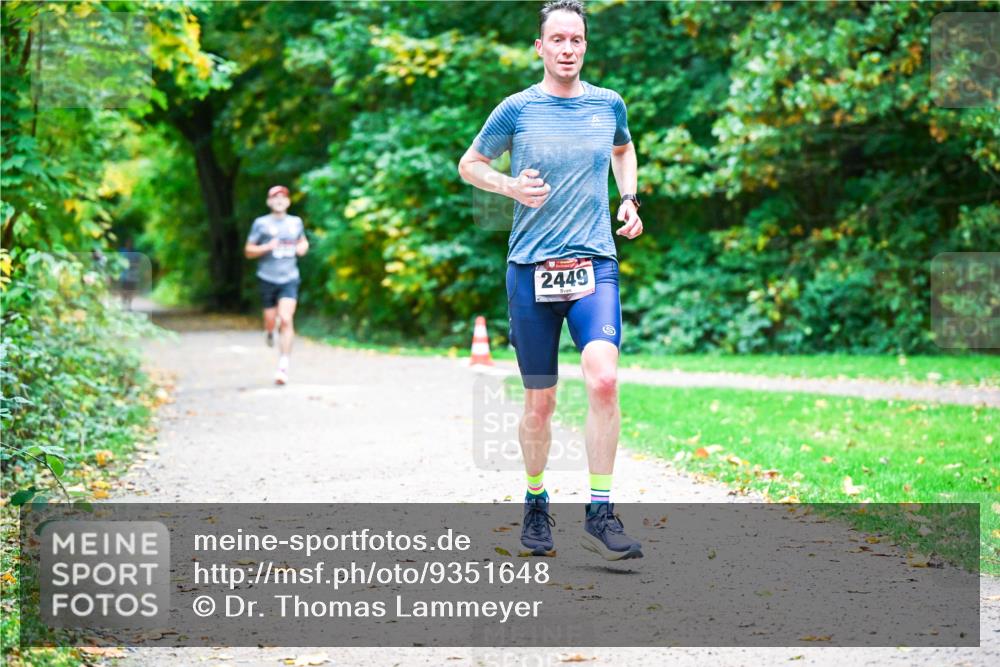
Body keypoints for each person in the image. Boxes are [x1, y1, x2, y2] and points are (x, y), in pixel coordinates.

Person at [458, 0, 644, 561]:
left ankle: (600, 511)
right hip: (531, 269)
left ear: (586, 46)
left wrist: (629, 197)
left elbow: (624, 147)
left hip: (594, 264)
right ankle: (536, 501)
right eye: (557, 40)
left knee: (604, 380)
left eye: (577, 40)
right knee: (540, 403)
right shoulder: (516, 110)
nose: (568, 49)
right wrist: (510, 186)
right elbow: (469, 165)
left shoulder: (607, 104)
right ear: (539, 47)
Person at [244, 185, 309, 385]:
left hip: (289, 277)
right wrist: (266, 247)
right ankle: (270, 331)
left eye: (283, 198)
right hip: (267, 278)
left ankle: (283, 364)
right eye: (275, 198)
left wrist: (301, 248)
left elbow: (303, 243)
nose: (279, 201)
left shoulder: (295, 223)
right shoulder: (261, 224)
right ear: (269, 202)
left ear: (288, 202)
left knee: (286, 318)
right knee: (271, 321)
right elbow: (248, 251)